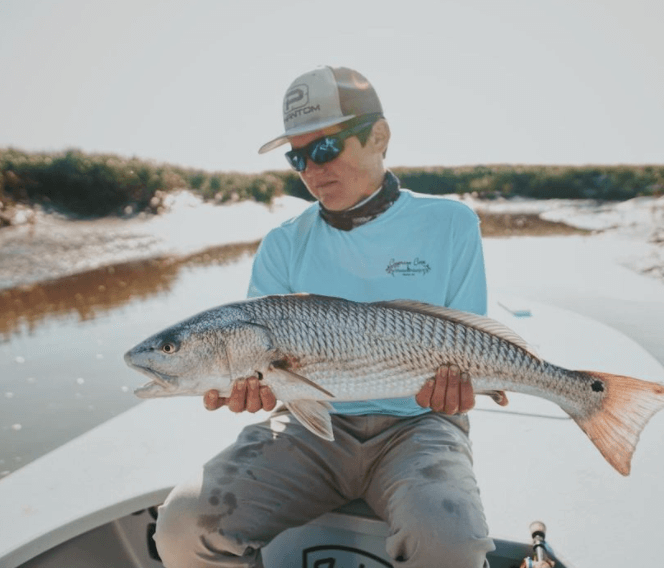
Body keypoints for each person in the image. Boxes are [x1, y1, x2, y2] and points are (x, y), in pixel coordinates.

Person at [154, 66, 507, 568]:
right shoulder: (281, 244)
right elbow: (264, 368)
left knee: (450, 542)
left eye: (324, 148)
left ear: (379, 136)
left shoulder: (450, 223)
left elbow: (469, 342)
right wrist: (254, 388)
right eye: (297, 157)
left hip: (420, 425)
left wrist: (459, 389)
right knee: (181, 527)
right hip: (304, 426)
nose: (312, 169)